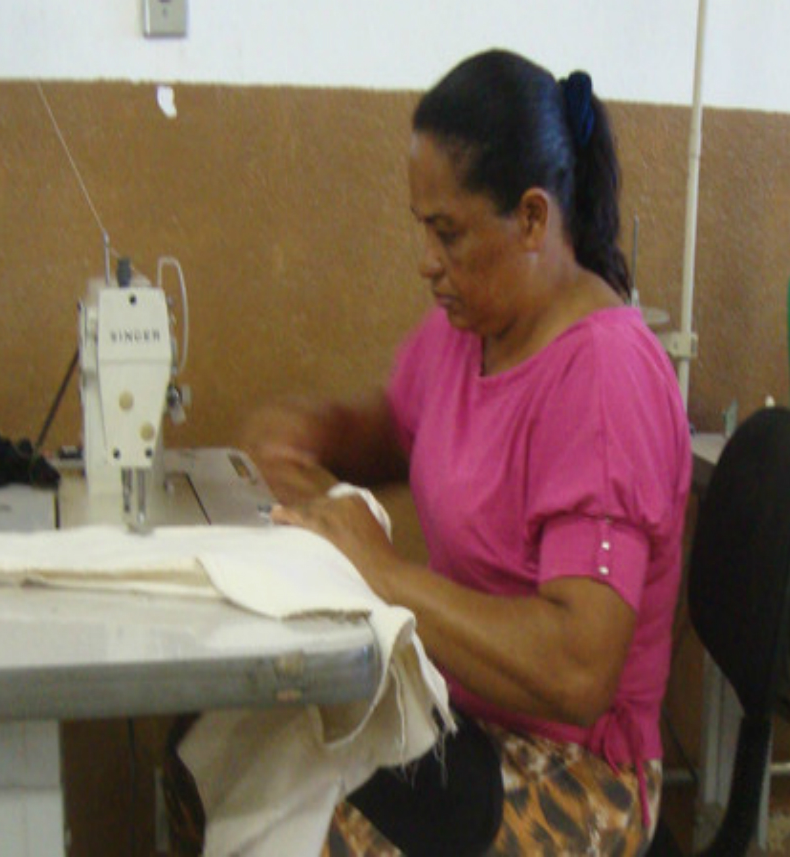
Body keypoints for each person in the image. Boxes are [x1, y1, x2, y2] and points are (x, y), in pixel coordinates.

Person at [168, 48, 692, 856]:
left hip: (574, 772)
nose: (427, 261)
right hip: (461, 709)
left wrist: (384, 574)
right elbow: (401, 430)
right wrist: (312, 432)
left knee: (324, 831)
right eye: (423, 227)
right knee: (209, 745)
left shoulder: (603, 381)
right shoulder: (472, 328)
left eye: (447, 233)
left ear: (531, 217)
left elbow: (577, 670)